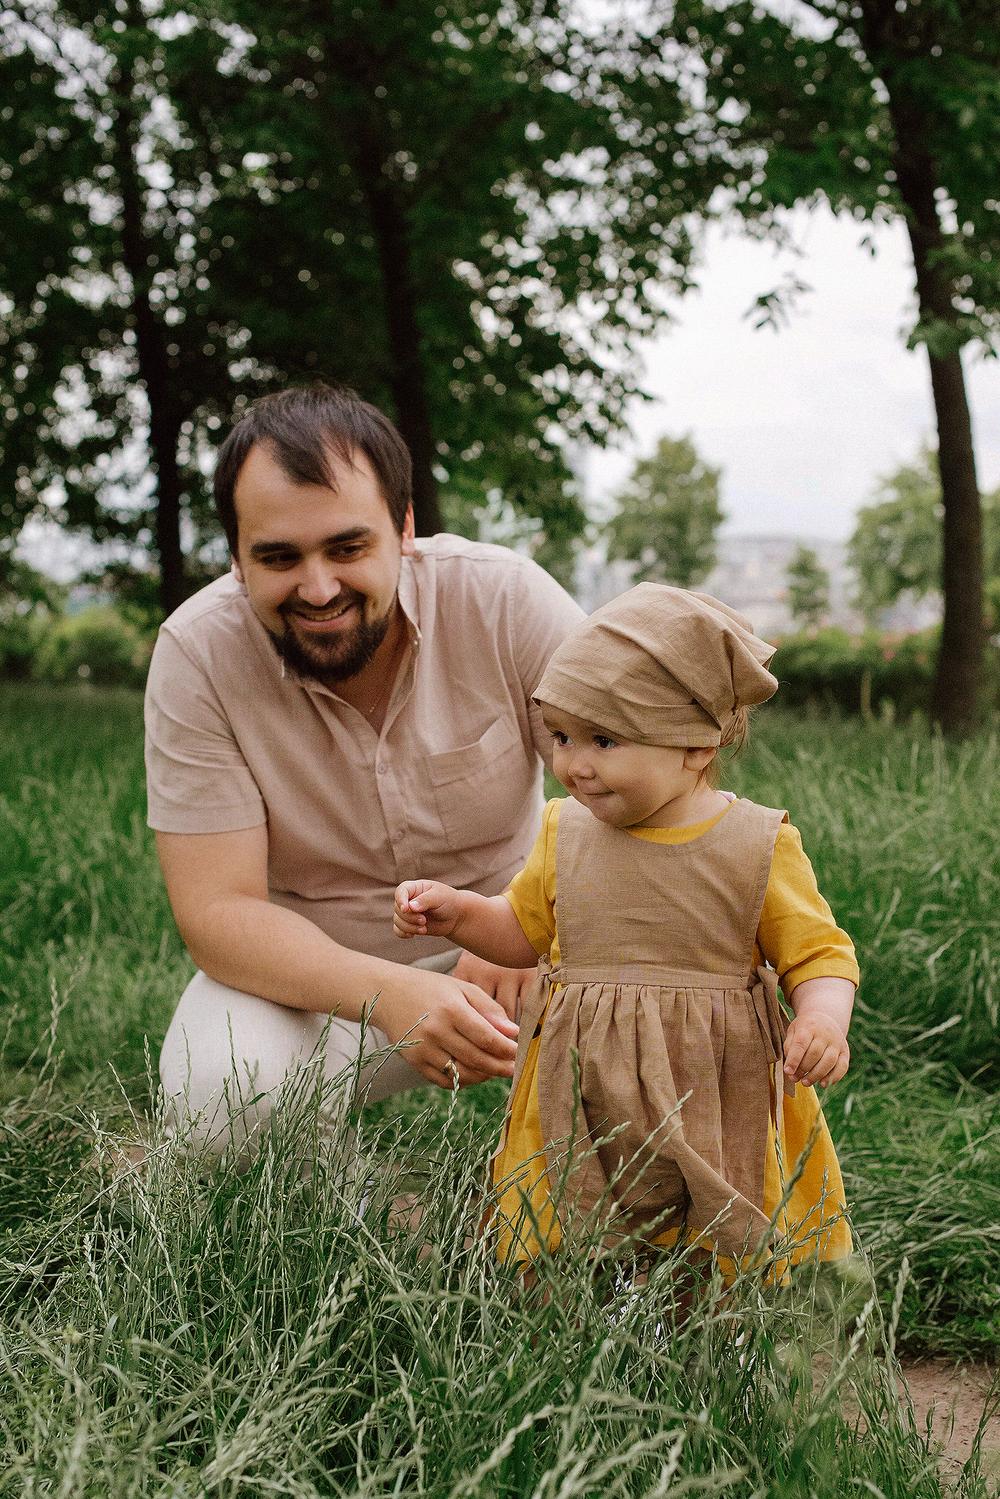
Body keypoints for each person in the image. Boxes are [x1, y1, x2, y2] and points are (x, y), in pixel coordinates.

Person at [146, 384, 583, 1156]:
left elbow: (636, 797)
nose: (318, 589)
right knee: (218, 1107)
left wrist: (526, 921)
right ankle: (365, 1221)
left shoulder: (505, 599)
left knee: (690, 991)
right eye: (279, 557)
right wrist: (390, 994)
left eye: (347, 548)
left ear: (404, 528)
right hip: (317, 977)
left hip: (525, 950)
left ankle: (636, 1241)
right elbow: (216, 912)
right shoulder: (195, 654)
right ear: (237, 558)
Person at [393, 584, 858, 1275]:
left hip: (710, 1080)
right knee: (563, 1214)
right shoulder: (566, 830)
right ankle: (564, 1330)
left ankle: (715, 1343)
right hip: (582, 1081)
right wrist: (460, 912)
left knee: (714, 1219)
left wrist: (822, 1018)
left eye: (604, 740)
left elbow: (819, 952)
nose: (574, 764)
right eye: (562, 736)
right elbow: (523, 931)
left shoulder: (755, 844)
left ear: (696, 746)